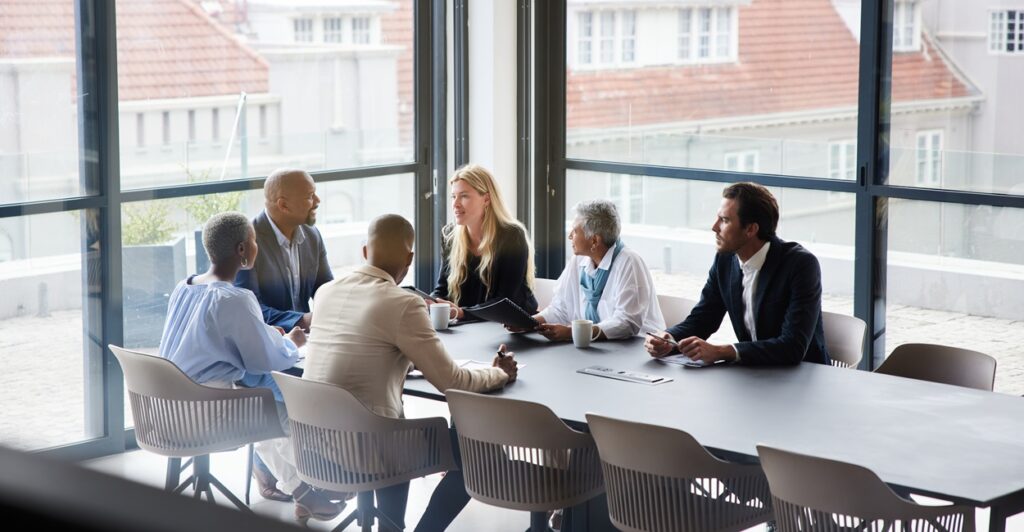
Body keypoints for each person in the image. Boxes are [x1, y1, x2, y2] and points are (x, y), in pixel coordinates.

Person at [303, 213, 518, 532]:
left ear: (365, 251)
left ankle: (391, 527)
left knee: (395, 436)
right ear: (410, 258)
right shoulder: (403, 304)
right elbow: (453, 382)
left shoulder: (326, 293)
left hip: (312, 444)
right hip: (367, 446)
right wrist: (499, 374)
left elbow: (364, 348)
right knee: (475, 458)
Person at [159, 212, 342, 522]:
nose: (258, 247)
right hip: (203, 414)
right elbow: (265, 360)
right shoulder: (234, 298)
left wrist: (268, 336)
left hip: (164, 408)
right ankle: (331, 483)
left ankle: (303, 493)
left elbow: (213, 337)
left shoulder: (185, 287)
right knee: (284, 414)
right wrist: (292, 343)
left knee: (258, 402)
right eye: (255, 241)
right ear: (242, 250)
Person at [644, 182, 831, 366]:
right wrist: (669, 339)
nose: (714, 227)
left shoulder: (800, 265)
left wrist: (721, 351)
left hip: (803, 377)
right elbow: (703, 318)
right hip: (753, 374)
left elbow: (792, 347)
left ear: (751, 229)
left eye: (724, 220)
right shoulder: (725, 260)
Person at [516, 199, 664, 341]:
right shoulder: (578, 259)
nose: (569, 236)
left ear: (594, 240)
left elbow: (627, 323)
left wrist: (573, 333)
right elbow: (561, 308)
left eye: (574, 232)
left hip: (636, 348)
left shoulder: (629, 263)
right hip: (595, 346)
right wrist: (528, 323)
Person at [431, 164, 538, 319]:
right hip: (469, 325)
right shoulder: (450, 235)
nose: (455, 204)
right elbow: (443, 289)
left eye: (464, 196)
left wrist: (462, 313)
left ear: (486, 199)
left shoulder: (512, 236)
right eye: (453, 196)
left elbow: (504, 301)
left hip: (511, 325)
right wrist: (432, 302)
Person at [235, 168, 333, 331]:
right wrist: (301, 320)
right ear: (284, 205)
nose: (317, 201)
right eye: (310, 196)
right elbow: (249, 309)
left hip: (306, 338)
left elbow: (325, 289)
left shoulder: (312, 235)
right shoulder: (247, 242)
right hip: (269, 341)